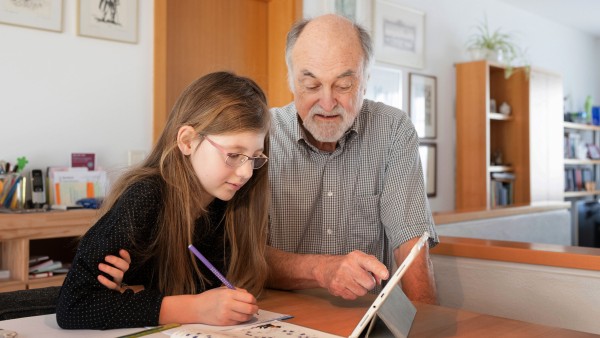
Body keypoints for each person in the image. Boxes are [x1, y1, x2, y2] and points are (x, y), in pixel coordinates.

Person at [56, 71, 271, 330]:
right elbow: (74, 306)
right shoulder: (146, 197)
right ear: (188, 141)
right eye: (234, 155)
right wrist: (194, 308)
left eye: (255, 157)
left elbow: (208, 289)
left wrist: (138, 296)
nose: (247, 172)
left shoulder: (227, 203)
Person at [265, 14, 439, 304]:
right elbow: (243, 256)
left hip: (363, 320)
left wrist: (428, 327)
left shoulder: (393, 130)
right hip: (276, 316)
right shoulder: (262, 136)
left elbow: (411, 251)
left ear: (366, 81)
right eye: (311, 86)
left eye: (343, 85)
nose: (327, 103)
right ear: (292, 81)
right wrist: (321, 270)